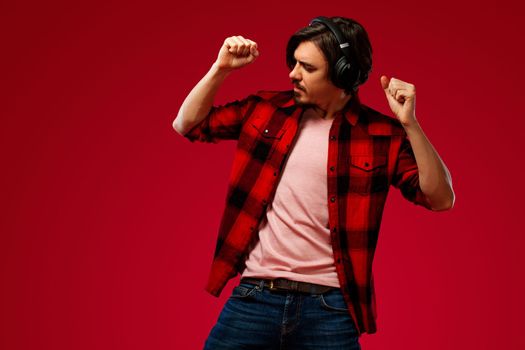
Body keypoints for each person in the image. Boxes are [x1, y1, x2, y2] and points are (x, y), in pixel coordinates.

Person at [173, 15, 455, 349]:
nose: (293, 74)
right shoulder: (265, 110)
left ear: (344, 74)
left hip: (331, 308)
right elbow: (187, 124)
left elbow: (440, 198)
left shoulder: (382, 135)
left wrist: (411, 125)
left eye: (307, 68)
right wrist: (220, 69)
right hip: (255, 296)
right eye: (293, 63)